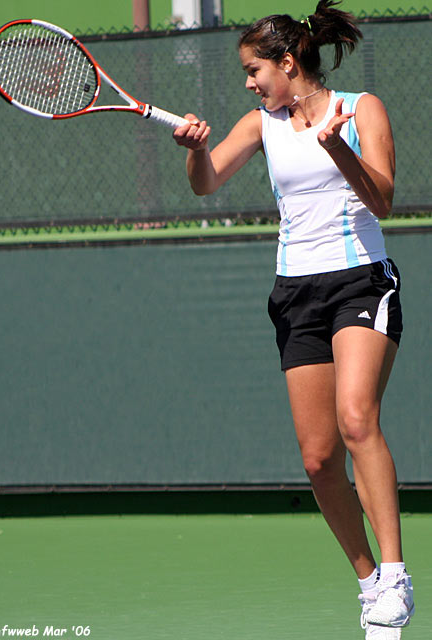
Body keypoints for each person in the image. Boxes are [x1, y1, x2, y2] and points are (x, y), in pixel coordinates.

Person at [172, 1, 415, 638]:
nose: (249, 83)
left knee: (357, 417)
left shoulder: (361, 109)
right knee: (316, 459)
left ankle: (395, 576)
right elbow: (206, 183)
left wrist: (338, 150)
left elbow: (384, 199)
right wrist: (195, 151)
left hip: (361, 281)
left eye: (256, 70)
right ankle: (367, 583)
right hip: (296, 295)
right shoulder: (261, 124)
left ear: (289, 62)